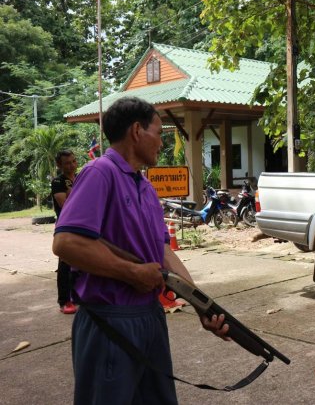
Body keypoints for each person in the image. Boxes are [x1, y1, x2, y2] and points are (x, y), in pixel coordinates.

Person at [52, 97, 229, 405]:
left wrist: (202, 304)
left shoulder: (146, 187)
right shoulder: (99, 173)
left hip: (150, 318)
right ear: (136, 131)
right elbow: (66, 243)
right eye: (159, 133)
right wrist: (132, 272)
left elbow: (164, 254)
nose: (162, 142)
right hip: (110, 321)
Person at [51, 149, 78, 314]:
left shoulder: (80, 177)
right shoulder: (58, 182)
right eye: (67, 163)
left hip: (84, 225)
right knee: (66, 263)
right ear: (59, 165)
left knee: (84, 262)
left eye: (73, 161)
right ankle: (65, 301)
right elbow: (65, 204)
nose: (72, 165)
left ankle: (78, 296)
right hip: (66, 226)